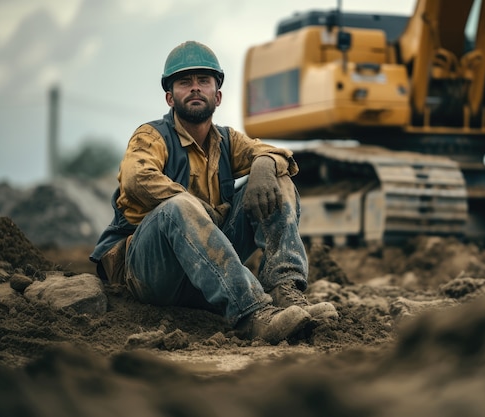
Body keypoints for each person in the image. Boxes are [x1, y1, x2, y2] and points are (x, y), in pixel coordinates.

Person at [90, 41, 337, 345]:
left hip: (206, 268)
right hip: (151, 272)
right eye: (184, 82)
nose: (195, 88)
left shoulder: (226, 140)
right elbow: (136, 178)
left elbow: (278, 154)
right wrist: (198, 207)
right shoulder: (152, 136)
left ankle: (286, 292)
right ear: (170, 97)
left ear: (217, 96)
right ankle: (252, 314)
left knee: (278, 178)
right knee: (178, 207)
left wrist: (263, 164)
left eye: (203, 81)